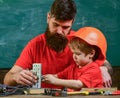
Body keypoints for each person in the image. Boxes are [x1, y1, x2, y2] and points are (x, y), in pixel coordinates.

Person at [4, 0, 112, 88]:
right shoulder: (35, 45)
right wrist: (16, 77)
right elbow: (7, 78)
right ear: (48, 17)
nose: (60, 31)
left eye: (65, 27)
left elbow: (106, 64)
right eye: (55, 25)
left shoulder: (80, 41)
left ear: (72, 22)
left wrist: (103, 69)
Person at [42, 26, 107, 91]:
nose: (74, 57)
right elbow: (57, 76)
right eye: (73, 53)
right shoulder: (73, 68)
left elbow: (78, 84)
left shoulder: (94, 69)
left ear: (91, 54)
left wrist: (55, 81)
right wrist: (43, 77)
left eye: (78, 54)